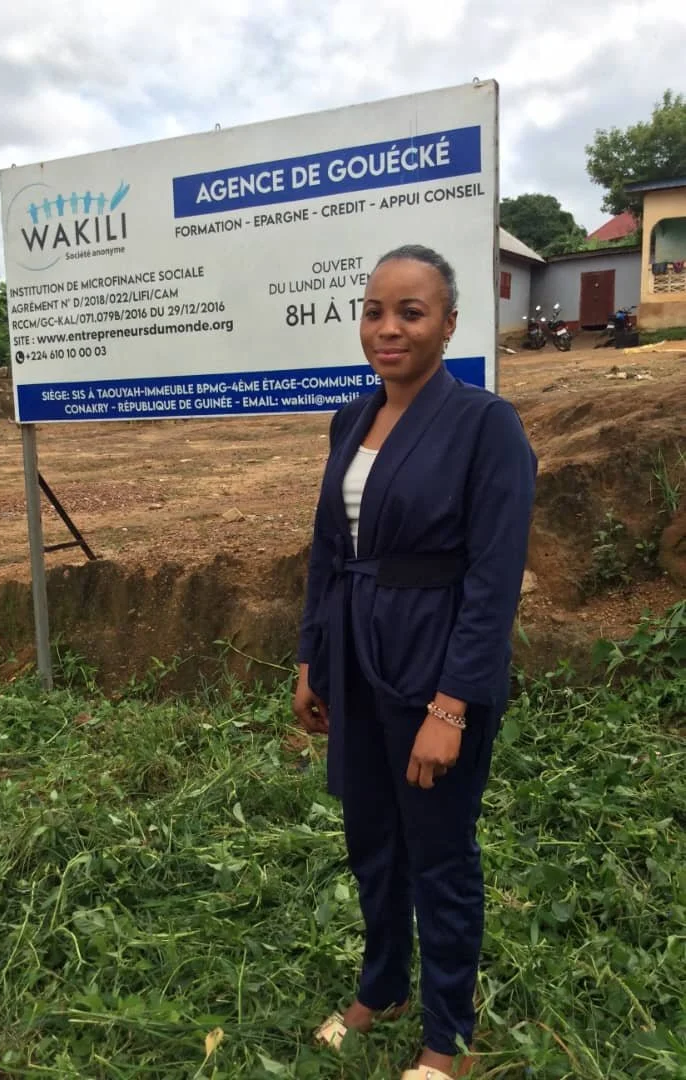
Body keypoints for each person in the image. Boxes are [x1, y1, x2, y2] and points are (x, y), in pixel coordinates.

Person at [293, 244, 537, 1080]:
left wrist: (452, 704)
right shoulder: (351, 418)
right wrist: (310, 659)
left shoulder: (484, 426)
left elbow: (493, 580)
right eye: (374, 310)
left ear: (449, 325)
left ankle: (449, 1036)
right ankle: (382, 987)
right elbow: (329, 550)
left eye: (411, 312)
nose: (387, 328)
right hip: (356, 662)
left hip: (432, 666)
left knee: (438, 850)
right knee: (371, 839)